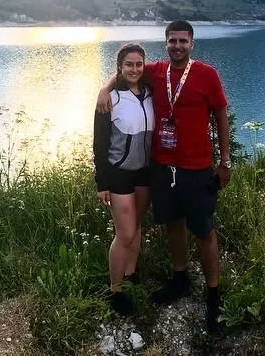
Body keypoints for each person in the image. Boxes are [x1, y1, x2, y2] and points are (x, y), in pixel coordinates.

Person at [96, 20, 231, 333]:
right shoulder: (155, 71)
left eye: (183, 41)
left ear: (192, 43)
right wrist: (104, 88)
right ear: (166, 43)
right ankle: (180, 278)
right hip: (162, 166)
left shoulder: (207, 74)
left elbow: (221, 114)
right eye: (172, 41)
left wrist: (225, 161)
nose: (177, 46)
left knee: (204, 230)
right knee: (173, 224)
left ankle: (213, 294)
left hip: (196, 168)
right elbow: (126, 70)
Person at [93, 42, 155, 316]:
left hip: (145, 172)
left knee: (137, 226)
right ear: (119, 67)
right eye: (128, 64)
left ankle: (130, 274)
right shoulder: (110, 99)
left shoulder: (150, 92)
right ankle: (114, 291)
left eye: (139, 64)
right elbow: (99, 143)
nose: (134, 69)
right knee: (125, 233)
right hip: (118, 173)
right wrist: (102, 183)